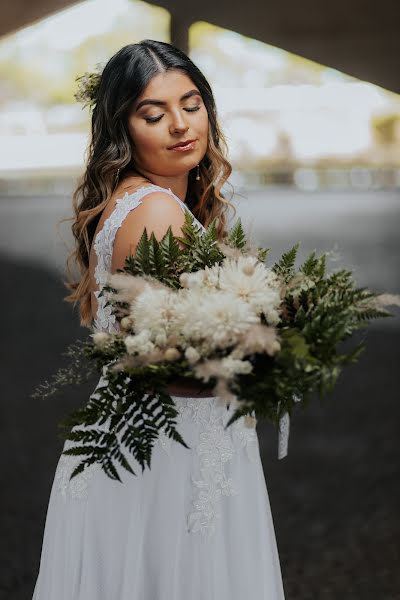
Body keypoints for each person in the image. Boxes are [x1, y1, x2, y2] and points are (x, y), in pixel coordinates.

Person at [32, 39, 286, 599]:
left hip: (145, 442)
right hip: (166, 456)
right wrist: (264, 357)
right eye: (154, 113)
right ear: (122, 129)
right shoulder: (155, 210)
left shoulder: (142, 200)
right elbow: (159, 363)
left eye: (191, 104)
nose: (179, 124)